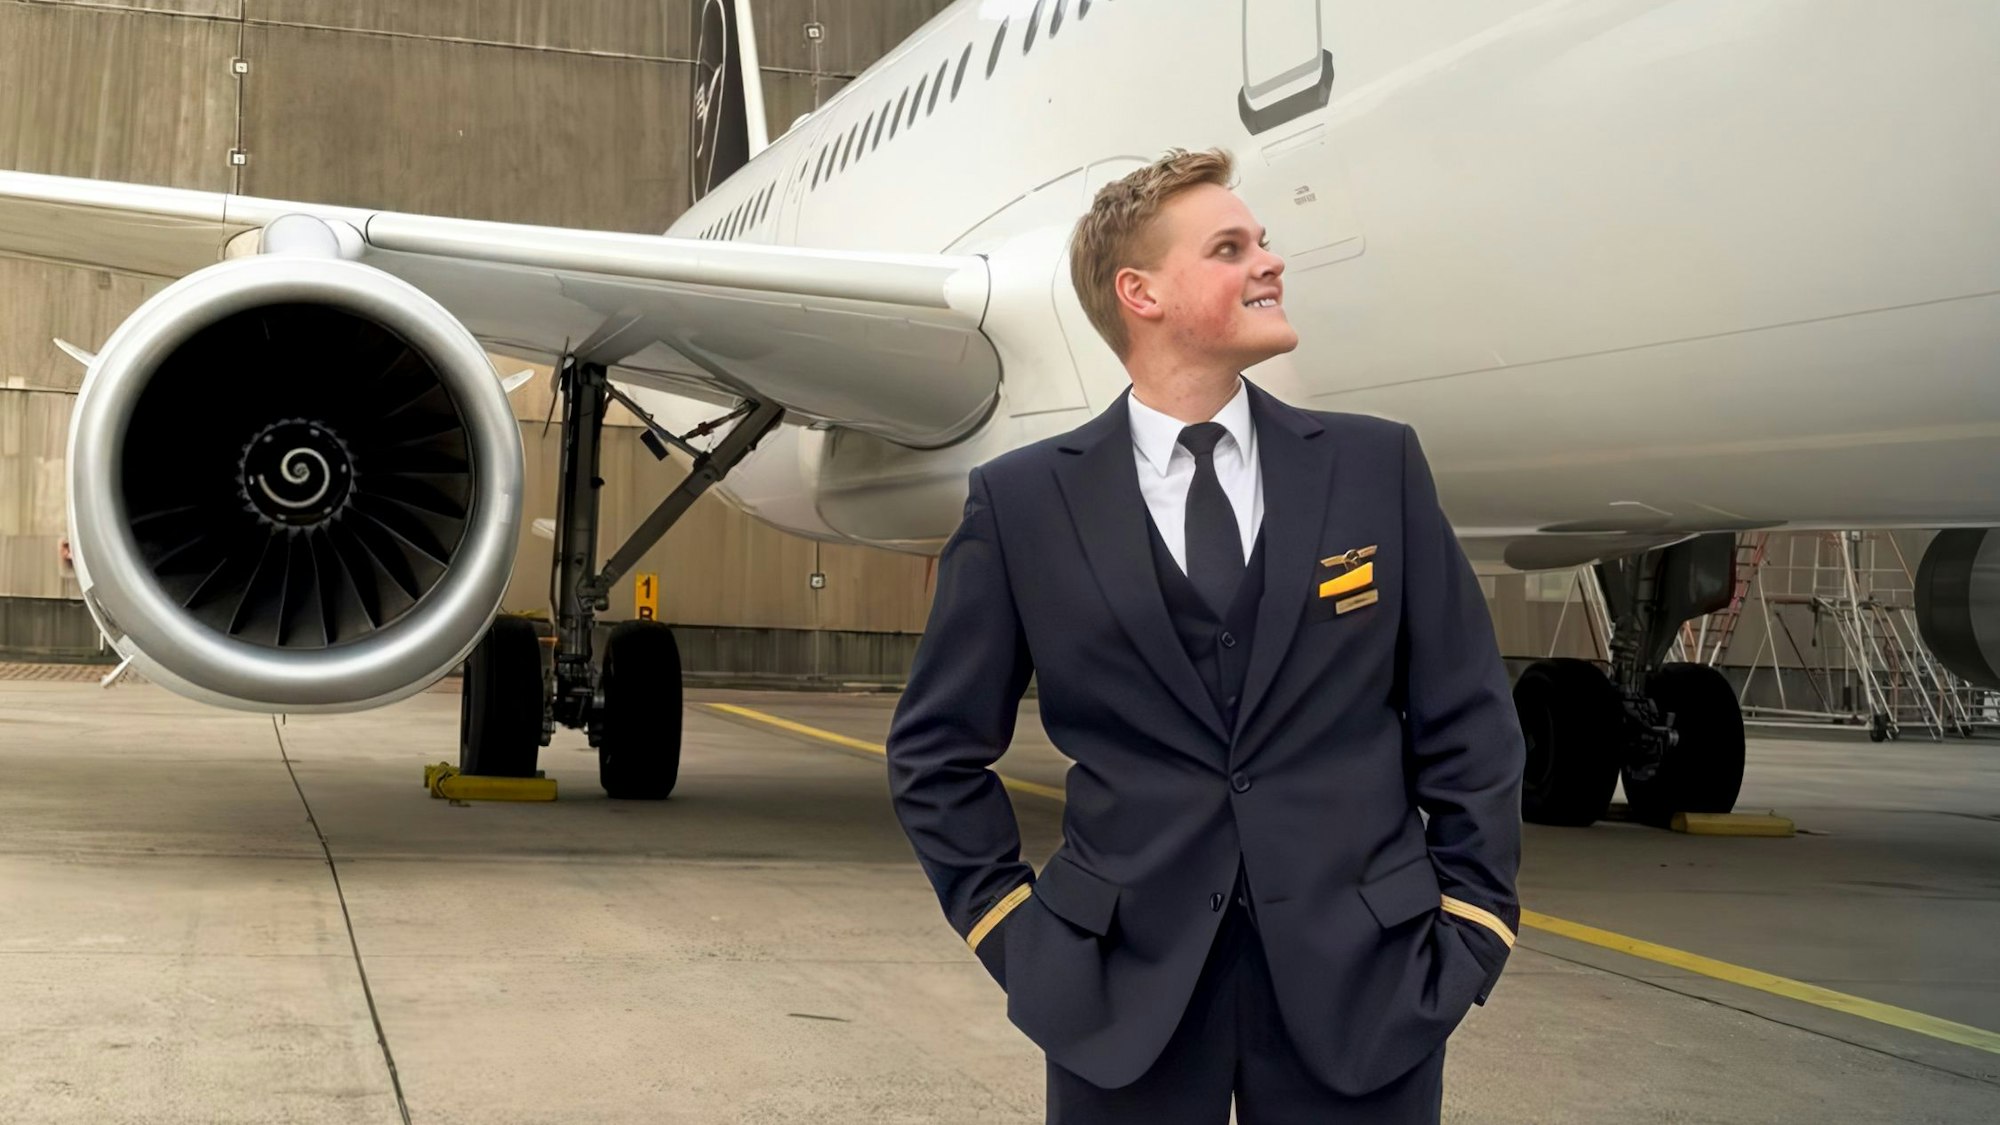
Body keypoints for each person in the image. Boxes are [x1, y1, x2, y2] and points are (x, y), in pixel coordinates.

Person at [885, 147, 1524, 1124]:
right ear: (1138, 292)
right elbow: (935, 752)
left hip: (1368, 988)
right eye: (1230, 248)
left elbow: (1469, 720)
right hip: (1115, 997)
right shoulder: (1023, 503)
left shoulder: (1375, 469)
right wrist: (1019, 938)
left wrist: (1472, 925)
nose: (1269, 261)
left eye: (1260, 241)